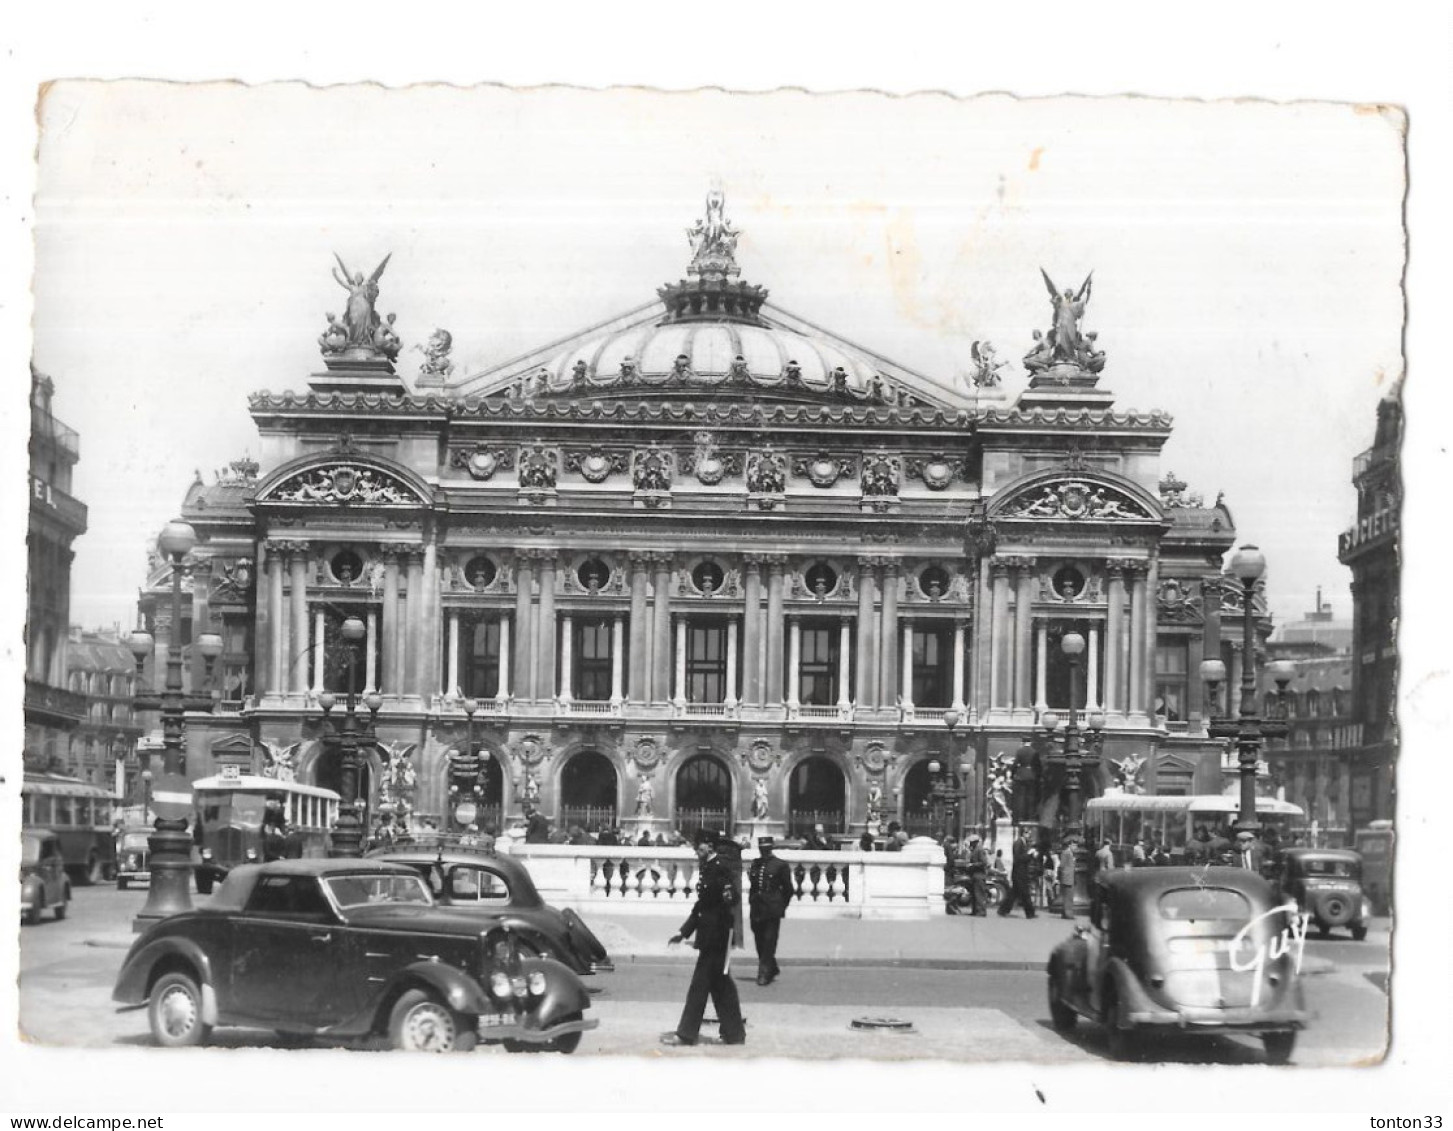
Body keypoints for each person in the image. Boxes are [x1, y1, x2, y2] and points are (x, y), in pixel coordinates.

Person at [662, 832, 746, 1047]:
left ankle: (686, 1034)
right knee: (721, 986)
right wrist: (683, 932)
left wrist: (729, 896)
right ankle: (735, 1034)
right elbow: (701, 907)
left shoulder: (720, 867)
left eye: (698, 847)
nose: (695, 850)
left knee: (699, 986)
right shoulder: (708, 868)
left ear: (709, 846)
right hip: (710, 935)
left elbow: (731, 896)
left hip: (717, 936)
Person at [748, 837, 794, 986]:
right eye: (762, 848)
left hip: (772, 907)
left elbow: (788, 889)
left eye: (766, 848)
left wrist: (781, 906)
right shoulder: (755, 864)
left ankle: (764, 973)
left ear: (771, 848)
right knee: (759, 940)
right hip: (757, 907)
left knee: (769, 940)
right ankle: (772, 967)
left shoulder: (780, 865)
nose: (764, 851)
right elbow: (753, 886)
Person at [999, 828, 1038, 918]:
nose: (1030, 836)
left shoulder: (1023, 843)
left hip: (1020, 872)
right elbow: (1018, 858)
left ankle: (1003, 910)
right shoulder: (1018, 843)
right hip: (1019, 873)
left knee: (1013, 894)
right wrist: (1029, 854)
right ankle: (1030, 913)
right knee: (1025, 893)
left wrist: (1030, 855)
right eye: (1028, 834)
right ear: (1024, 833)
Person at [966, 835, 991, 916]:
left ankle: (981, 911)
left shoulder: (979, 850)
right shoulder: (975, 850)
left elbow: (984, 862)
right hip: (975, 874)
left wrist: (973, 865)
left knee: (979, 894)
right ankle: (975, 910)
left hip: (979, 874)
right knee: (975, 894)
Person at [1058, 837, 1079, 919]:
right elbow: (1062, 865)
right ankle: (1068, 913)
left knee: (1067, 895)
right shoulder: (1066, 853)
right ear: (1070, 845)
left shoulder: (1070, 853)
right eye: (1074, 845)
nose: (1076, 847)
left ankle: (1065, 912)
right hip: (1067, 877)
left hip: (1069, 877)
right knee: (1068, 896)